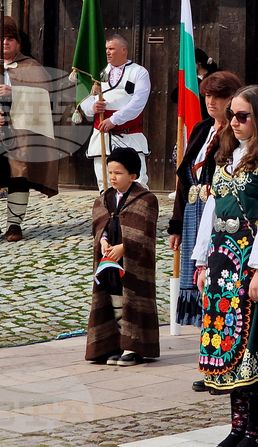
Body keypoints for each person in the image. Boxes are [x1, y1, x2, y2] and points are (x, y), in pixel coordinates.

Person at [191, 85, 258, 447]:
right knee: (230, 348)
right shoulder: (227, 155)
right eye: (230, 115)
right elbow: (211, 211)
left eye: (242, 116)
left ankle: (256, 432)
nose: (233, 122)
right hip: (222, 261)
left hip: (251, 259)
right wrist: (202, 261)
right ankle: (237, 429)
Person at [0, 16, 59, 245]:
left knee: (18, 175)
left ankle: (14, 224)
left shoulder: (32, 68)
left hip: (20, 134)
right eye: (0, 39)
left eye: (10, 38)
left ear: (18, 43)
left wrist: (15, 94)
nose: (4, 43)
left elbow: (44, 97)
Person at [169, 71, 242, 342]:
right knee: (196, 279)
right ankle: (207, 343)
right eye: (208, 95)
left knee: (215, 276)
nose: (211, 101)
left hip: (219, 214)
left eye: (219, 96)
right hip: (192, 213)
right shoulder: (202, 129)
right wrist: (175, 225)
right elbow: (183, 178)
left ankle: (222, 342)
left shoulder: (235, 134)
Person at [85, 147, 160, 366]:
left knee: (132, 298)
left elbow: (145, 232)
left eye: (118, 173)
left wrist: (125, 248)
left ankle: (132, 346)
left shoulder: (146, 199)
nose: (113, 177)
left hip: (133, 262)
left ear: (133, 176)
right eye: (110, 173)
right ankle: (114, 343)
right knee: (112, 294)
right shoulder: (105, 199)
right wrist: (104, 240)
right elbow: (101, 223)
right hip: (108, 259)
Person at [79, 35, 151, 192]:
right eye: (106, 49)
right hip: (102, 136)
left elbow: (138, 102)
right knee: (104, 182)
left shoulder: (139, 72)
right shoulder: (98, 72)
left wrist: (115, 119)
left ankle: (135, 214)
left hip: (129, 135)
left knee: (137, 180)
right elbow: (84, 98)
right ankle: (109, 214)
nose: (107, 52)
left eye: (111, 49)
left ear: (123, 50)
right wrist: (93, 107)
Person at [170, 47, 220, 122]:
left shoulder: (215, 76)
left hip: (212, 119)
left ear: (199, 62)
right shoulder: (190, 79)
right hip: (193, 119)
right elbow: (175, 97)